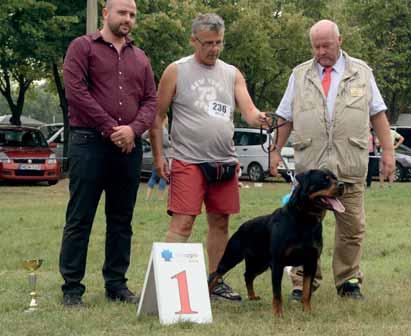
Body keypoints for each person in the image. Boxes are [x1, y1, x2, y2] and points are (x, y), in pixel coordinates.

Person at [270, 19, 395, 300]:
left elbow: (378, 115)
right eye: (316, 46)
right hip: (310, 170)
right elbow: (284, 117)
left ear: (340, 41)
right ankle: (301, 282)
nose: (321, 51)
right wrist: (275, 150)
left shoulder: (361, 73)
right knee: (297, 228)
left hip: (348, 167)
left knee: (351, 228)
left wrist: (388, 152)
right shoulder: (299, 75)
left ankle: (348, 281)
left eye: (326, 45)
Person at [149, 13, 268, 301]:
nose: (214, 49)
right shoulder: (176, 71)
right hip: (187, 160)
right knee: (183, 223)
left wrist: (260, 118)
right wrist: (159, 157)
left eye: (219, 43)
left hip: (224, 162)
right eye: (208, 43)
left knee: (220, 223)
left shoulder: (231, 73)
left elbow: (248, 110)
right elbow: (157, 116)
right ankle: (166, 287)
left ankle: (215, 282)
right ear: (193, 40)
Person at [59, 0, 157, 307]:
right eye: (122, 13)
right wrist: (111, 128)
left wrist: (133, 130)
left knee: (121, 220)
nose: (127, 19)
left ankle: (116, 284)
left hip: (128, 148)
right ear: (106, 13)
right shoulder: (82, 47)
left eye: (132, 15)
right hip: (89, 144)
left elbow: (151, 102)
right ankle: (72, 288)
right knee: (80, 217)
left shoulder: (141, 57)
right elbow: (76, 92)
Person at [145, 126, 170, 201]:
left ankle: (147, 197)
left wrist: (151, 141)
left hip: (154, 156)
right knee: (163, 177)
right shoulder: (164, 130)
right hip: (163, 157)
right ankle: (160, 197)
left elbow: (143, 136)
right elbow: (165, 143)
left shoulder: (151, 128)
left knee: (153, 176)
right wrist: (170, 143)